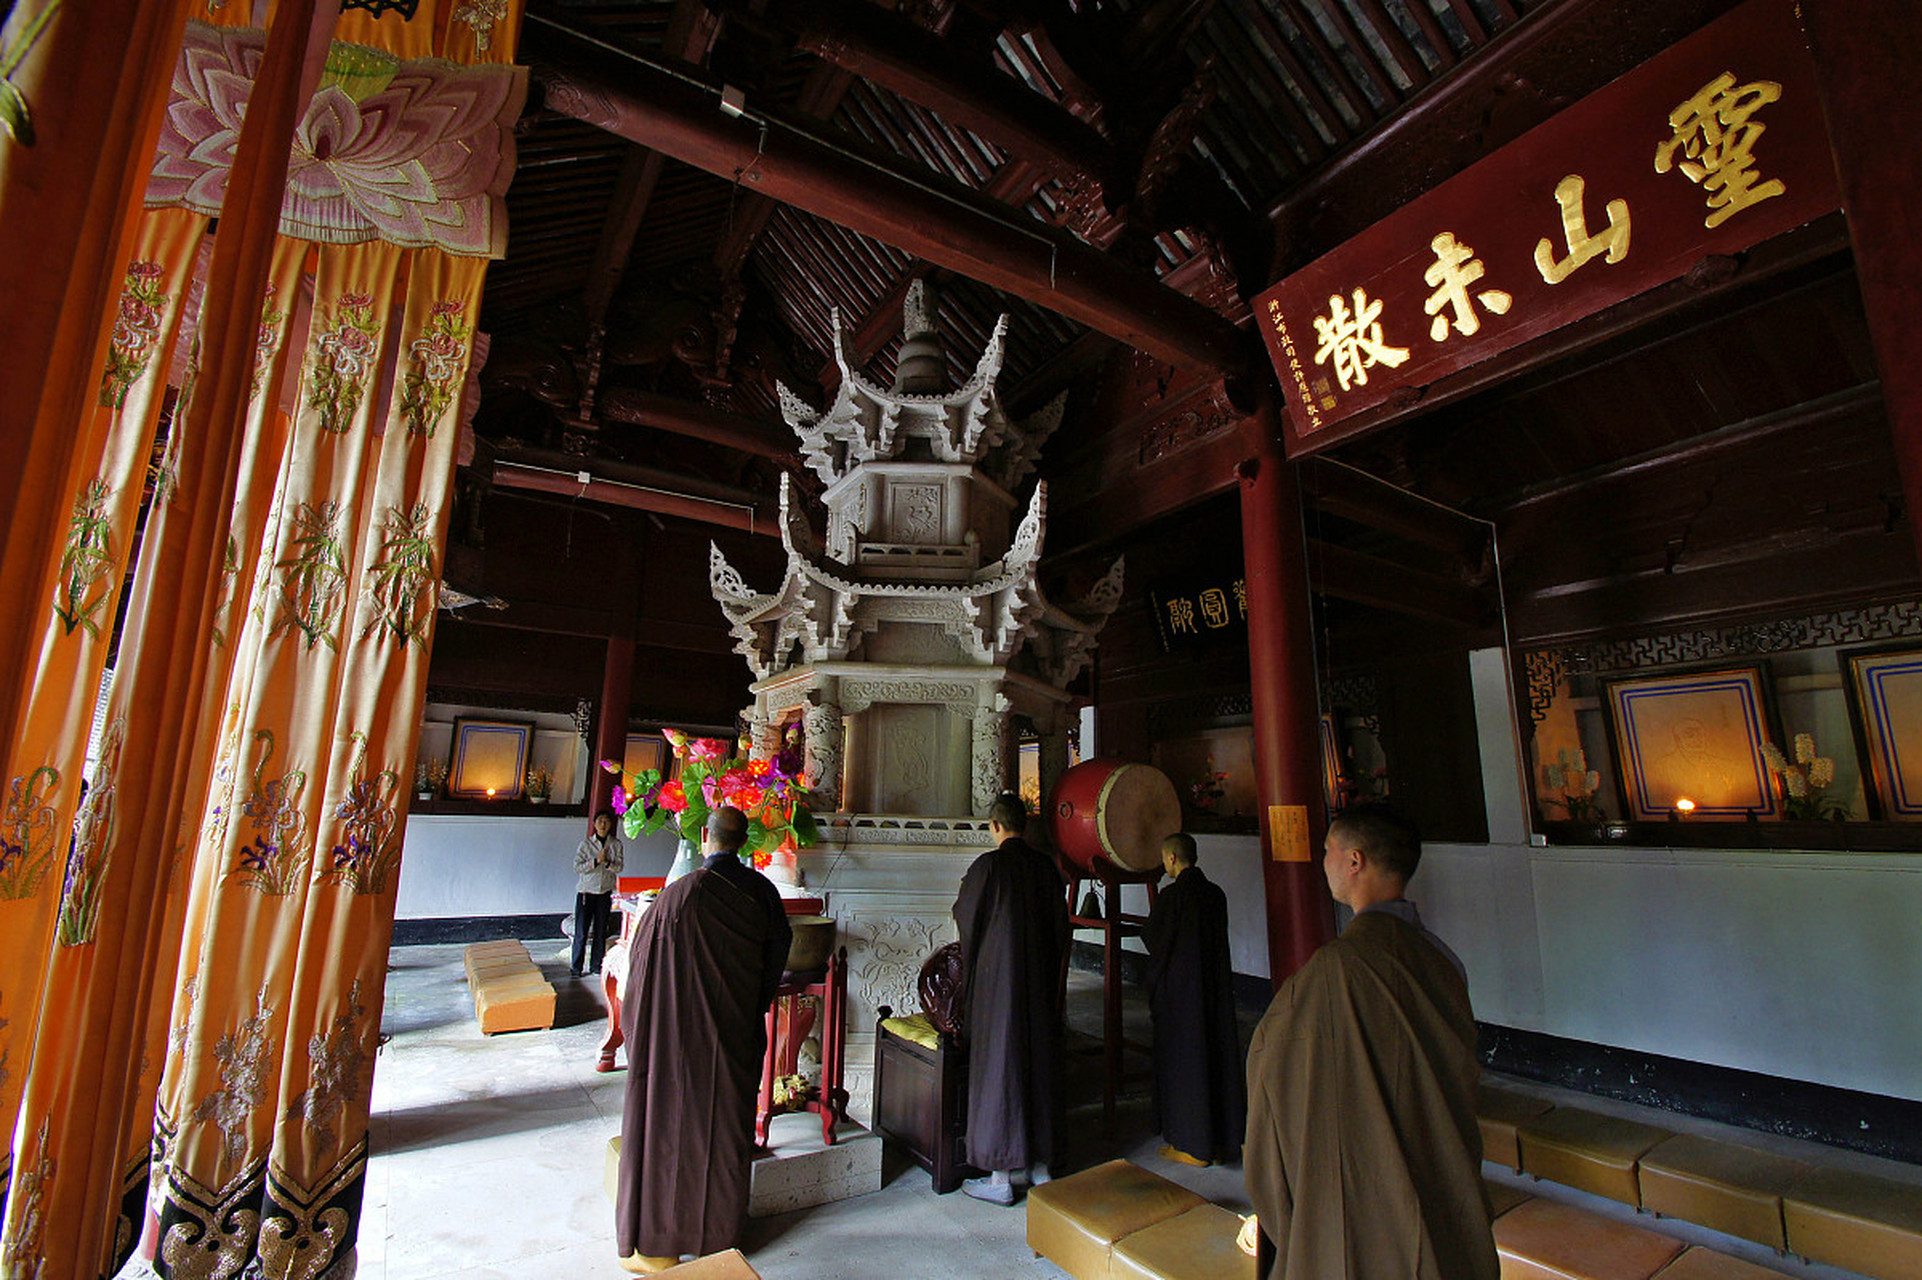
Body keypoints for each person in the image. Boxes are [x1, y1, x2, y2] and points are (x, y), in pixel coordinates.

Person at [1243, 805, 1496, 1280]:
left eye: (1327, 852)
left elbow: (1271, 1070)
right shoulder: (1443, 960)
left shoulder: (1333, 971)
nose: (1324, 863)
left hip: (1361, 1189)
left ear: (1354, 861)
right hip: (1441, 1168)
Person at [615, 806, 792, 1272]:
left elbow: (639, 979)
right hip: (733, 1033)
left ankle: (662, 1232)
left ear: (706, 839)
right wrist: (748, 1005)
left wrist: (644, 1036)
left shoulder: (676, 897)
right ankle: (720, 1232)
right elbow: (776, 959)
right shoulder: (761, 892)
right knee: (724, 1129)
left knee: (670, 1134)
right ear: (745, 841)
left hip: (674, 1043)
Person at [952, 791, 1071, 1205]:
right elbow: (1062, 928)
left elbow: (967, 920)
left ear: (995, 826)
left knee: (1000, 1069)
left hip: (997, 988)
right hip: (1038, 986)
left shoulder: (989, 866)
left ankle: (1001, 1177)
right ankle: (1041, 1168)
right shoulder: (1045, 867)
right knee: (1037, 1063)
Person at [1142, 832, 1244, 1167]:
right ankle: (1218, 1142)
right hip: (1214, 993)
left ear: (1171, 858)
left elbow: (1155, 940)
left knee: (1186, 1067)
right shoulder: (1216, 894)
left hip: (1182, 999)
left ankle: (1191, 1145)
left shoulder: (1172, 897)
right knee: (1216, 1060)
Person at [572, 807, 624, 976]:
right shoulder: (586, 845)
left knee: (601, 932)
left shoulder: (615, 845)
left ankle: (596, 966)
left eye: (606, 821)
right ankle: (576, 967)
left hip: (604, 893)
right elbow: (577, 867)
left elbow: (619, 867)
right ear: (594, 824)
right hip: (586, 894)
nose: (603, 824)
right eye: (600, 820)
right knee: (581, 932)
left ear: (610, 824)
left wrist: (607, 863)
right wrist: (595, 861)